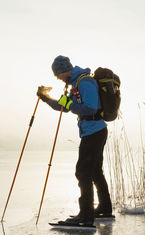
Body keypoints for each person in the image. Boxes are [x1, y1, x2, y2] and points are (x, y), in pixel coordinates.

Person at [37, 55, 113, 226]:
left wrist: (70, 105)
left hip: (94, 131)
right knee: (94, 172)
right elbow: (64, 107)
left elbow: (90, 107)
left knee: (83, 172)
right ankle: (104, 209)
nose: (57, 78)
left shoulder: (85, 82)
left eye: (58, 74)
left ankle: (85, 217)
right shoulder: (76, 84)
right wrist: (46, 98)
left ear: (65, 70)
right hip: (92, 131)